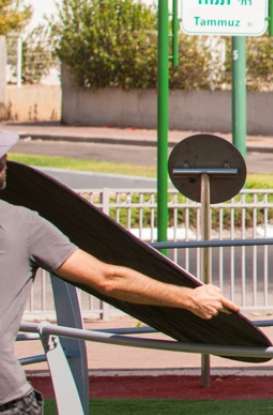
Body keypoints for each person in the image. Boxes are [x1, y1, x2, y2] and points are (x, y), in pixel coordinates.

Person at [0, 130, 239, 415]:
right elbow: (107, 280)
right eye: (2, 159)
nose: (7, 164)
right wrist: (189, 297)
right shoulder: (21, 224)